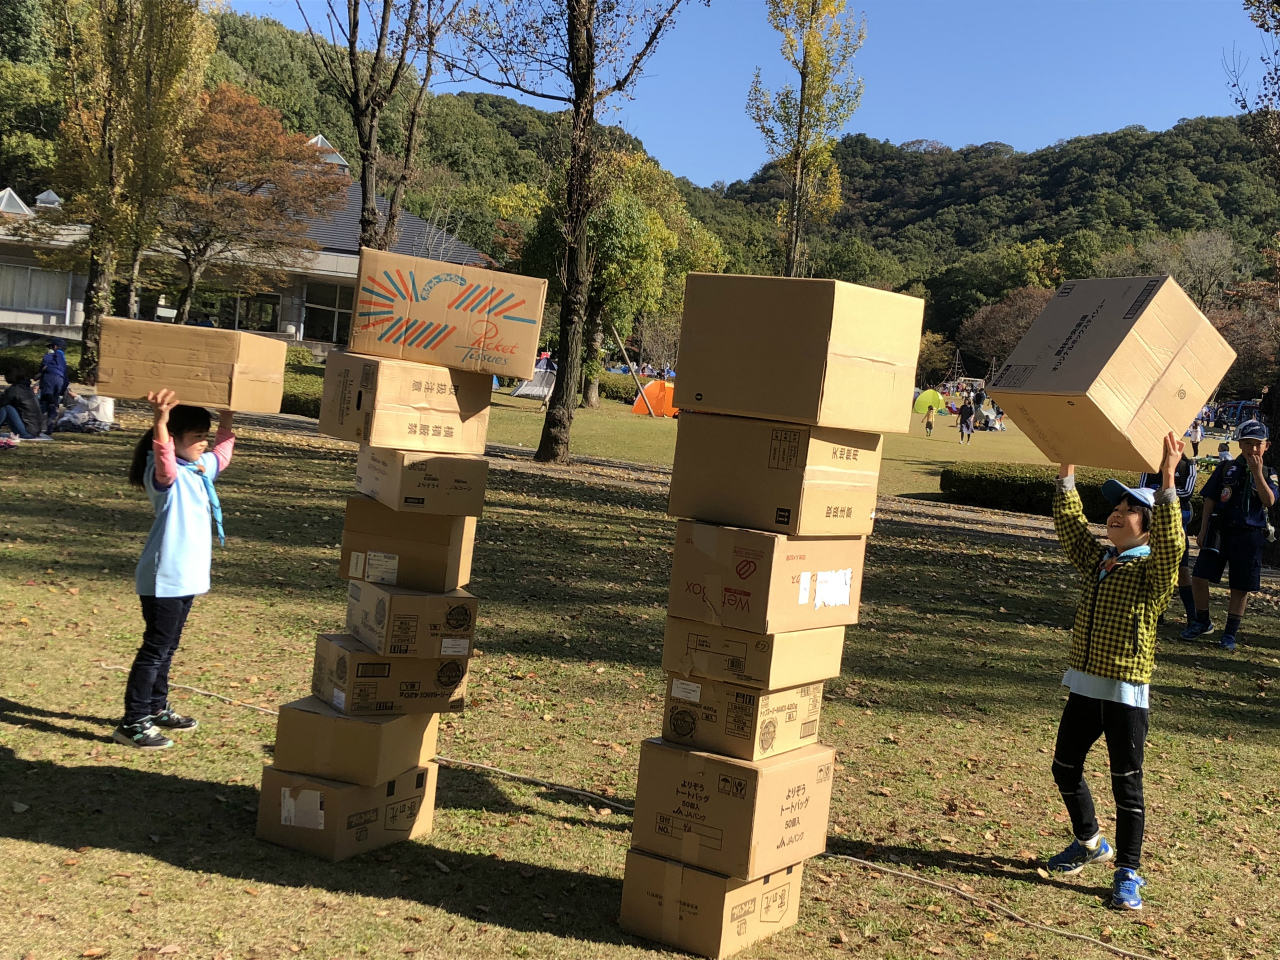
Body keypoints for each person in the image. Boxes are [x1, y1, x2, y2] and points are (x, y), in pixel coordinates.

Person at [1045, 431, 1184, 911]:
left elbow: (1172, 546)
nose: (1117, 513)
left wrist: (1168, 481)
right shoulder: (1100, 561)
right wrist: (1067, 473)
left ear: (1148, 526)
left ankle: (1127, 872)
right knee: (1064, 766)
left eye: (1130, 509)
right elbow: (1071, 530)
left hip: (1125, 692)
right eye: (1115, 507)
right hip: (1084, 686)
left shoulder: (1152, 572)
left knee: (1126, 782)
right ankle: (1089, 842)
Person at [115, 390, 236, 750]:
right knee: (155, 649)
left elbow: (223, 452)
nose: (204, 442)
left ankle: (155, 707)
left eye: (205, 435)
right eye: (197, 436)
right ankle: (133, 721)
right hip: (164, 577)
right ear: (174, 439)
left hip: (187, 577)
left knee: (168, 647)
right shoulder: (165, 475)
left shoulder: (199, 469)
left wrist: (228, 415)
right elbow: (164, 457)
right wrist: (161, 420)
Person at [1183, 420, 1278, 652]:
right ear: (1240, 444)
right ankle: (1202, 621)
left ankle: (1229, 633)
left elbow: (1269, 500)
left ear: (1266, 446)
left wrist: (1257, 474)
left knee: (1240, 585)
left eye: (1257, 444)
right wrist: (1203, 528)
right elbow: (1210, 499)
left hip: (1249, 534)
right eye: (1247, 443)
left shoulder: (1270, 473)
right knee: (1200, 576)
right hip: (1220, 530)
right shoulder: (1226, 468)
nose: (1252, 449)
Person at [1140, 454, 1198, 629]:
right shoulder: (1150, 463)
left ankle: (1192, 617)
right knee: (1150, 566)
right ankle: (1156, 614)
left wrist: (1160, 491)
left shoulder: (1188, 465)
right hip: (1152, 521)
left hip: (1177, 523)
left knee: (1182, 570)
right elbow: (1141, 489)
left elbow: (1187, 493)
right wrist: (1166, 491)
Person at [0, 363, 50, 440]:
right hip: (35, 429)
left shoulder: (14, 390)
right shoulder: (27, 388)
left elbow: (2, 402)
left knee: (6, 407)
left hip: (27, 432)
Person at [38, 338, 69, 426]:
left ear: (55, 347)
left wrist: (40, 372)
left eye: (51, 346)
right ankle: (50, 424)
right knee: (53, 401)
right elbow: (66, 377)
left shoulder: (52, 353)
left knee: (46, 398)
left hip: (49, 377)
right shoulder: (63, 359)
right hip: (61, 380)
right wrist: (62, 390)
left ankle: (41, 421)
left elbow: (45, 362)